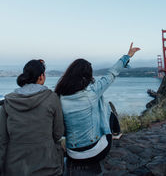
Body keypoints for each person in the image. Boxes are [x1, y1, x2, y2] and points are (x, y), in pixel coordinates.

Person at [55, 42, 140, 174]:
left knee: (96, 102)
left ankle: (115, 132)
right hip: (95, 153)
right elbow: (112, 73)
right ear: (88, 75)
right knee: (104, 105)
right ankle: (116, 132)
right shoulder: (93, 92)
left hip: (73, 153)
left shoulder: (59, 96)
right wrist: (127, 56)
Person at [0, 59, 64, 176]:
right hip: (47, 166)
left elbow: (3, 140)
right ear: (41, 77)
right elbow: (58, 133)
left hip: (15, 168)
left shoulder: (8, 101)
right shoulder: (52, 98)